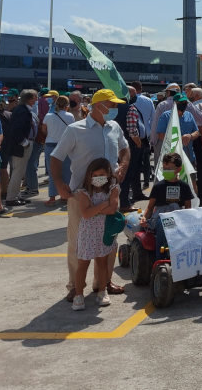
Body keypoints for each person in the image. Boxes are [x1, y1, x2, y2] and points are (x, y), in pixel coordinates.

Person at [50, 89, 130, 302]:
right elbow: (56, 158)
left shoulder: (115, 127)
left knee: (109, 239)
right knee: (78, 242)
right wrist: (59, 183)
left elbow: (125, 150)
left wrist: (122, 166)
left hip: (110, 194)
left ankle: (103, 283)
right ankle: (75, 287)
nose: (115, 109)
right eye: (111, 105)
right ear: (99, 105)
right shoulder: (75, 130)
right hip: (81, 196)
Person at [71, 158, 121, 311]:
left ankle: (102, 291)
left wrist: (96, 208)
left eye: (102, 174)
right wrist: (104, 204)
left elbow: (113, 209)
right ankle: (78, 295)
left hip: (104, 231)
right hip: (87, 233)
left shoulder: (113, 188)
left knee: (102, 262)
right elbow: (86, 213)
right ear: (90, 175)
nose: (98, 177)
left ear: (108, 175)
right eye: (95, 174)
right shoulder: (83, 192)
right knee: (83, 264)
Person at [144, 152, 193, 260]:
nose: (166, 171)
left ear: (178, 169)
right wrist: (144, 218)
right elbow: (150, 207)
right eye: (164, 168)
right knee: (164, 223)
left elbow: (188, 209)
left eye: (169, 168)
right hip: (160, 218)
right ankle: (160, 259)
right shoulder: (158, 187)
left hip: (178, 216)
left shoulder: (184, 187)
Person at [5, 89, 39, 207]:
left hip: (24, 144)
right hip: (21, 146)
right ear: (29, 99)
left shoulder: (23, 109)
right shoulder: (22, 111)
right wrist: (24, 142)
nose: (36, 100)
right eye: (35, 97)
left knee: (20, 172)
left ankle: (16, 195)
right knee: (18, 172)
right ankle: (11, 198)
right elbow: (16, 130)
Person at [41, 95, 74, 206]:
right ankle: (65, 196)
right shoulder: (70, 116)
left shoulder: (48, 116)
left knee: (52, 173)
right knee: (67, 172)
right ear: (67, 105)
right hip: (65, 145)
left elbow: (44, 129)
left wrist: (50, 135)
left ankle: (52, 197)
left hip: (50, 144)